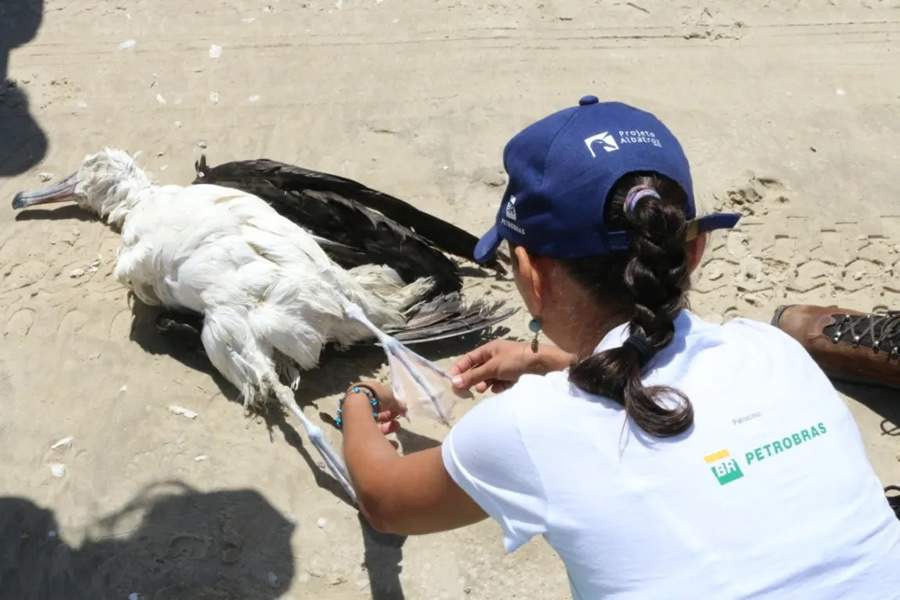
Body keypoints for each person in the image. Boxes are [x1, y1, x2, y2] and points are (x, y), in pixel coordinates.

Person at [338, 96, 900, 598]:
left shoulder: (530, 426)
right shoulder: (773, 351)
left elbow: (386, 503)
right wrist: (546, 362)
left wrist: (360, 400)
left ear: (533, 275)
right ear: (696, 248)